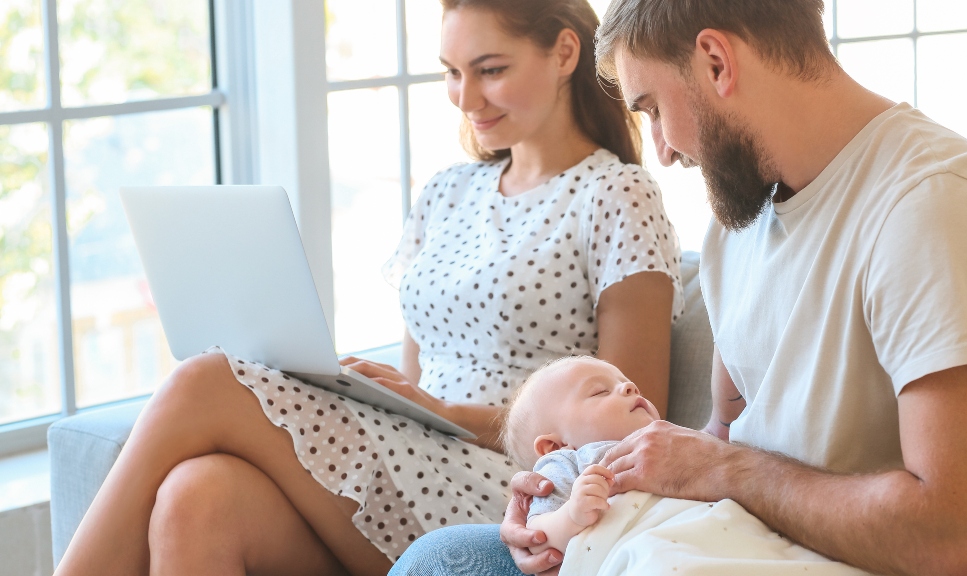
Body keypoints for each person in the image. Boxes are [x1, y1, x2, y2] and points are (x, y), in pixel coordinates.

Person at [389, 0, 967, 575]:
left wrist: (724, 470)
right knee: (440, 558)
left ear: (716, 61)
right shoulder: (739, 220)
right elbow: (724, 438)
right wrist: (560, 509)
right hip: (719, 541)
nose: (660, 152)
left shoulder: (934, 207)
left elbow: (955, 537)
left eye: (653, 109)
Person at [52, 1, 686, 575]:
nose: (466, 97)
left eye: (490, 69)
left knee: (206, 381)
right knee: (196, 497)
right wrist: (397, 401)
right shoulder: (446, 193)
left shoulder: (615, 195)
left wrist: (443, 415)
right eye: (452, 72)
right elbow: (418, 378)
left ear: (565, 55)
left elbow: (629, 421)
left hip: (524, 489)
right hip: (417, 456)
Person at [502, 356, 659, 556]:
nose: (631, 387)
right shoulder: (568, 463)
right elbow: (536, 538)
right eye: (600, 391)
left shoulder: (676, 440)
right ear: (555, 447)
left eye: (627, 382)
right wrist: (571, 516)